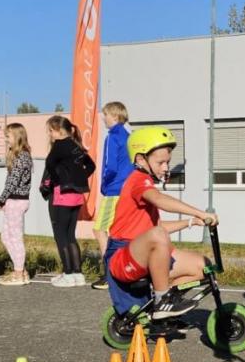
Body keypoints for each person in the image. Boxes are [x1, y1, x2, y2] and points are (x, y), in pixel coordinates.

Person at [106, 126, 217, 319]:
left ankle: (166, 306)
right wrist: (199, 211)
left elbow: (155, 228)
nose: (166, 167)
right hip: (121, 257)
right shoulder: (138, 181)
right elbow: (160, 202)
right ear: (141, 160)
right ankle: (162, 300)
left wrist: (192, 221)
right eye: (161, 162)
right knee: (159, 236)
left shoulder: (145, 182)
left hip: (141, 253)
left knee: (204, 266)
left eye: (168, 162)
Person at [42, 115, 95, 287]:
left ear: (58, 130)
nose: (50, 134)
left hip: (62, 195)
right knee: (71, 235)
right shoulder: (76, 145)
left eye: (50, 131)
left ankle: (68, 273)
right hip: (78, 196)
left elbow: (49, 164)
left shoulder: (58, 145)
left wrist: (61, 179)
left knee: (60, 235)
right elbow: (91, 166)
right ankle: (78, 274)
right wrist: (78, 179)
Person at [91, 102, 132, 289]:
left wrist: (104, 184)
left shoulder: (113, 137)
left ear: (115, 116)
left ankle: (110, 273)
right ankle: (124, 270)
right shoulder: (128, 136)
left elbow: (111, 166)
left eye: (105, 114)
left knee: (100, 230)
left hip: (114, 190)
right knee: (118, 232)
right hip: (126, 189)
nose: (103, 117)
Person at [0, 122, 33, 286]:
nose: (5, 139)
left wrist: (1, 199)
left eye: (8, 136)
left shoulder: (22, 156)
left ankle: (19, 273)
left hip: (16, 200)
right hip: (13, 200)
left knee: (15, 238)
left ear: (17, 136)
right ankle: (21, 269)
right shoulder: (17, 156)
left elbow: (13, 181)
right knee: (5, 237)